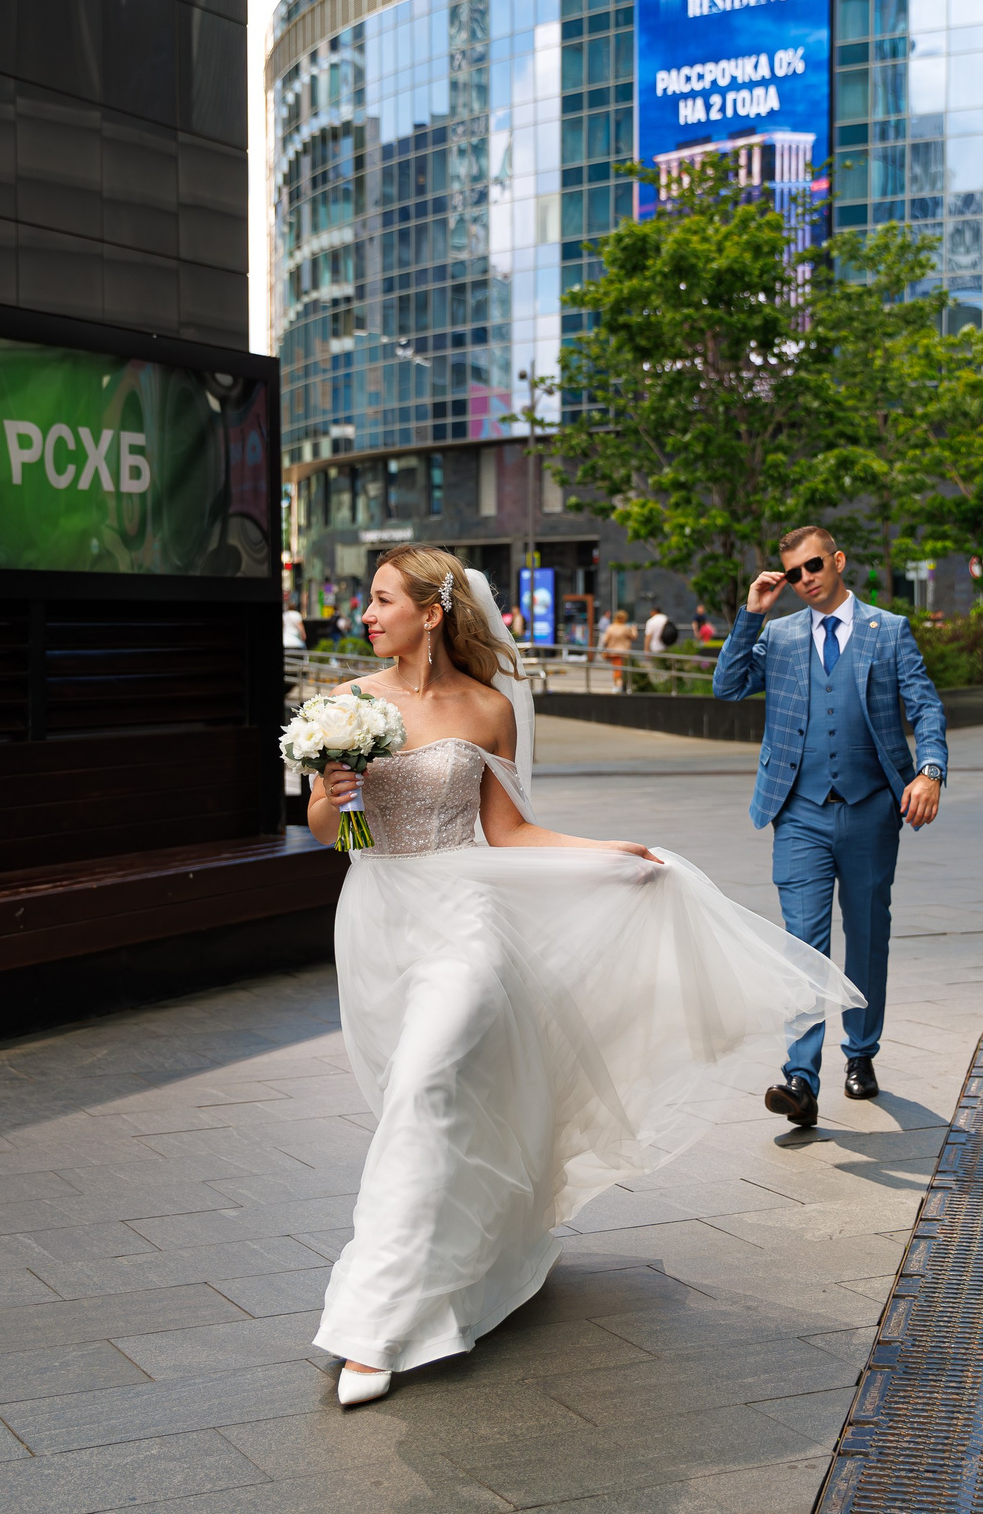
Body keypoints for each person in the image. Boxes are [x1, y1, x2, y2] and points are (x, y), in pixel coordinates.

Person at [304, 547, 860, 1407]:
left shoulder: (489, 709)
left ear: (434, 610)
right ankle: (469, 1254)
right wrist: (335, 796)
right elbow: (336, 838)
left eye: (382, 598)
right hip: (380, 918)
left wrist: (612, 855)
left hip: (468, 921)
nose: (366, 612)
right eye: (368, 600)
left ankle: (370, 1325)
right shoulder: (346, 705)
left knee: (422, 1087)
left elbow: (511, 832)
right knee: (419, 1103)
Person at [710, 526, 948, 1127]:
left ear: (838, 561)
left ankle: (861, 1053)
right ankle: (801, 1077)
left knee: (867, 935)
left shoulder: (887, 630)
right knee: (802, 948)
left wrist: (931, 770)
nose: (805, 578)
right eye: (793, 573)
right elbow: (728, 686)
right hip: (798, 811)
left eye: (813, 565)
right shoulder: (781, 636)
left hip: (871, 807)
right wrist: (749, 615)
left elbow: (924, 704)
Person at [600, 608, 636, 688]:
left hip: (613, 652)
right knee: (621, 671)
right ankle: (619, 686)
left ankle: (617, 685)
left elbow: (605, 640)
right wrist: (634, 630)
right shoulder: (625, 628)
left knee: (616, 670)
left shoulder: (610, 627)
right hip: (624, 653)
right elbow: (634, 637)